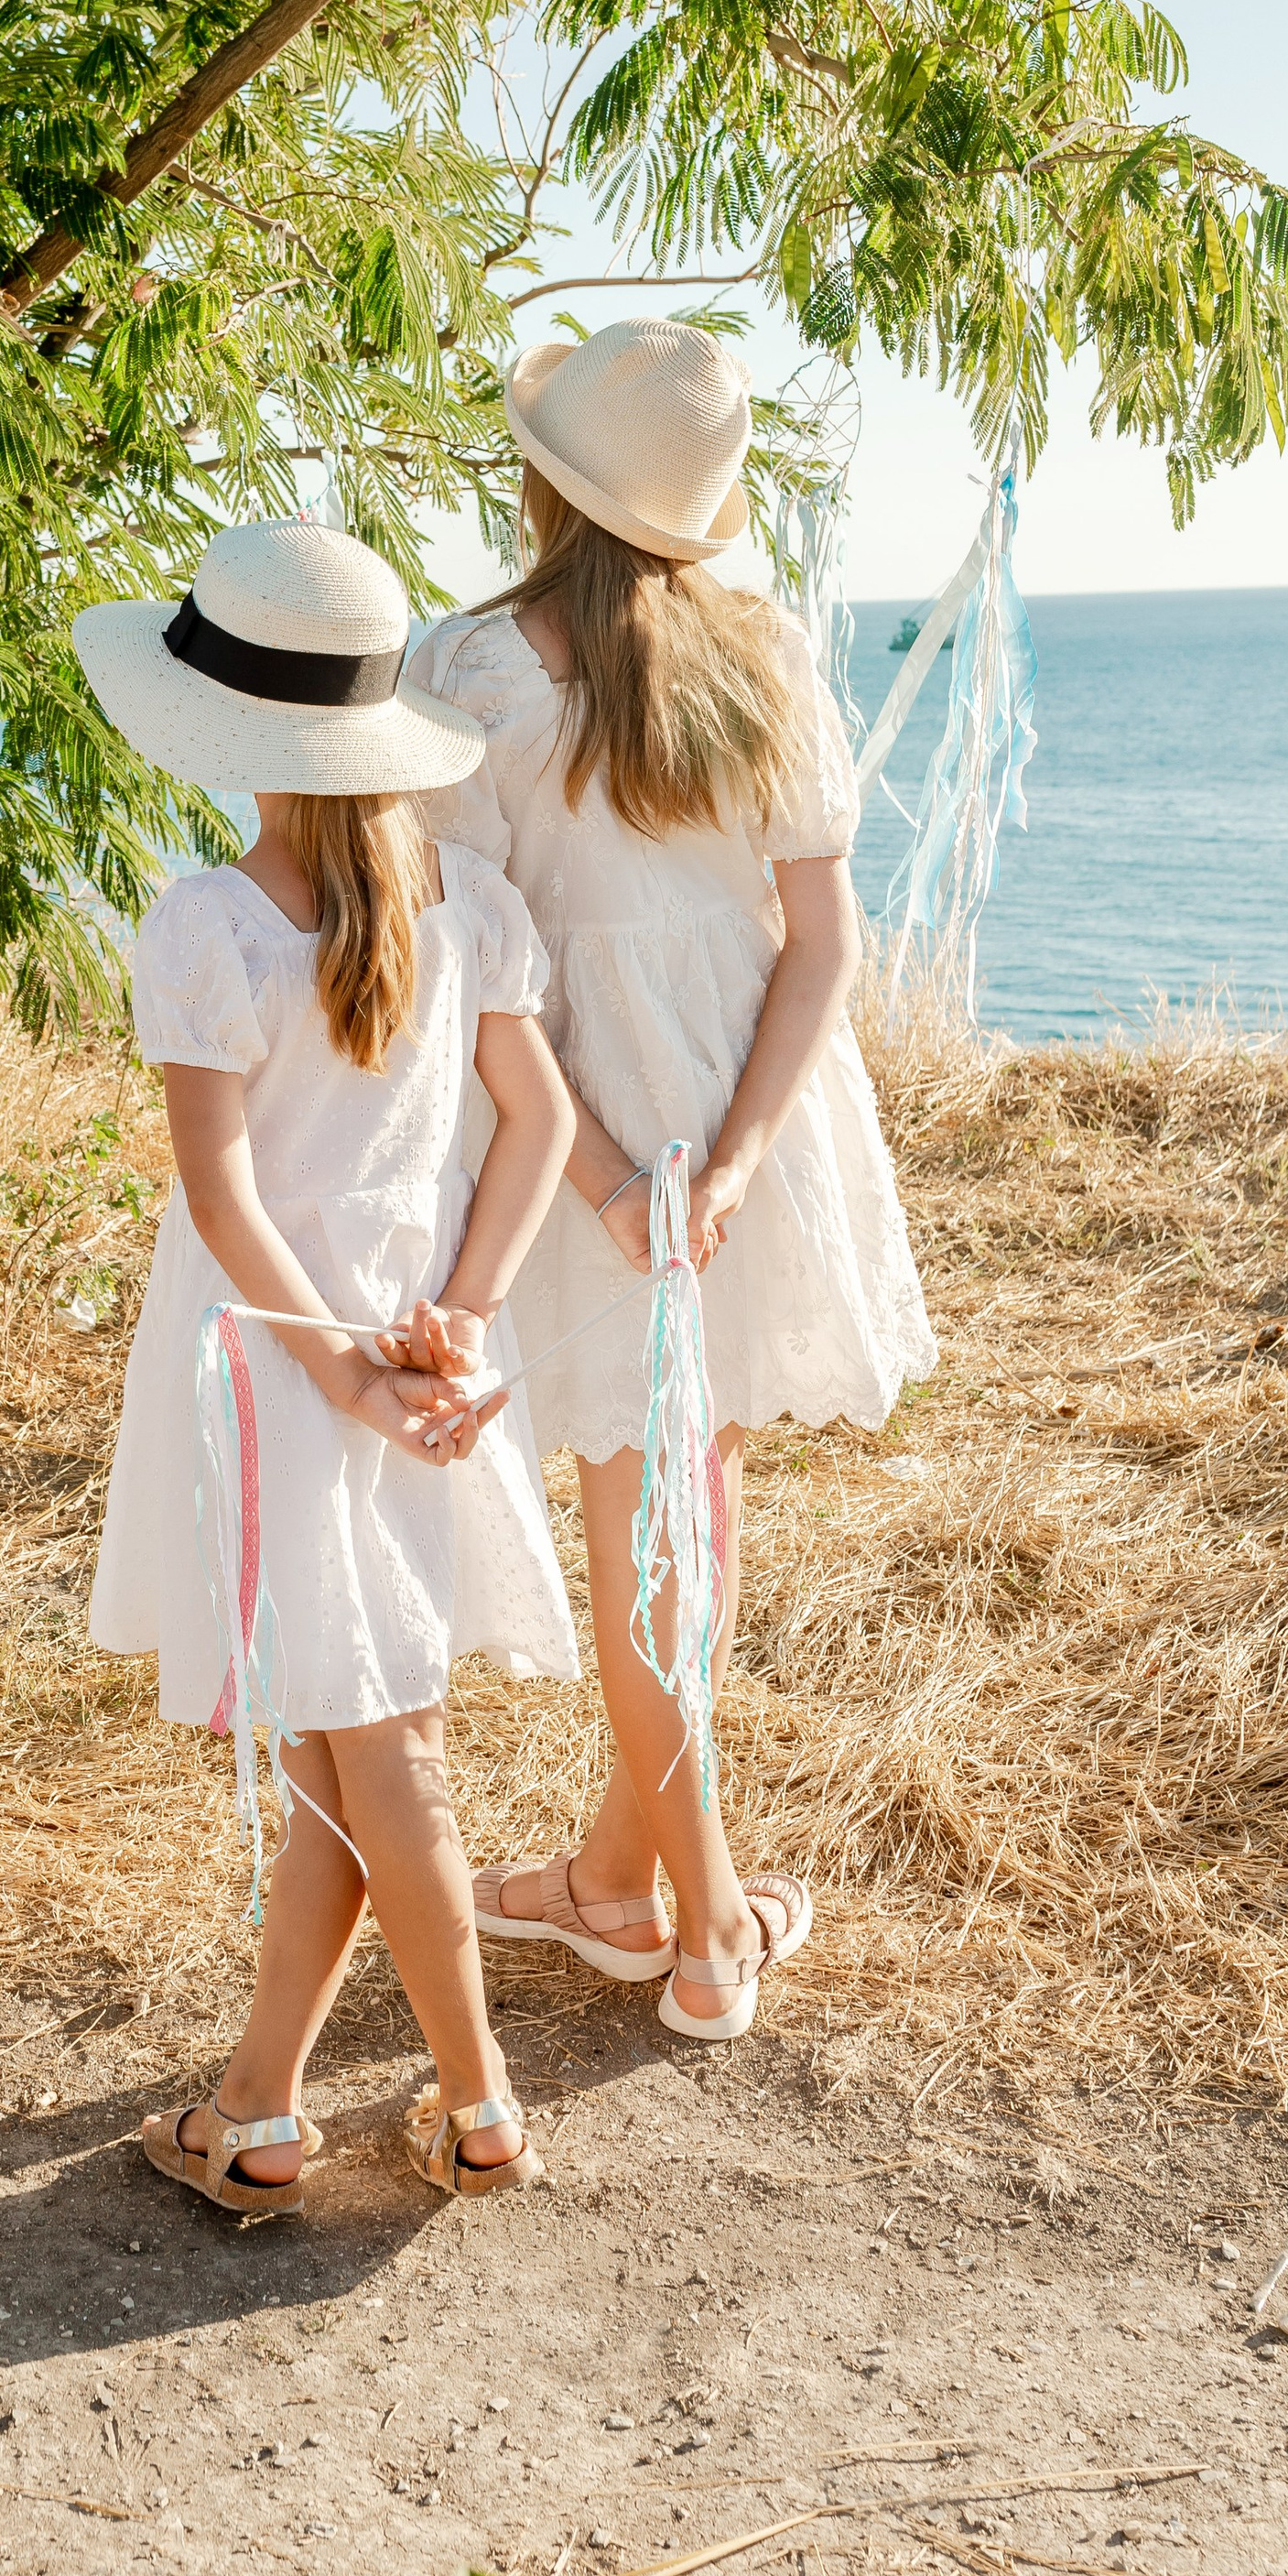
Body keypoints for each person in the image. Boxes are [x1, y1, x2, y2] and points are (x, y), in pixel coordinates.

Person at [408, 321, 936, 2041]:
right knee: (675, 1503)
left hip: (573, 1114)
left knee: (658, 1508)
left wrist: (629, 1172)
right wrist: (742, 1153)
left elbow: (475, 968)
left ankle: (690, 1920)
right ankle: (636, 1884)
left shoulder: (466, 671)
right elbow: (820, 938)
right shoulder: (763, 650)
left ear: (542, 481)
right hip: (726, 1096)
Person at [77, 518, 581, 2210]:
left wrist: (360, 1374)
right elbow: (541, 1126)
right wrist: (463, 1311)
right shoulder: (471, 902)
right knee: (341, 1752)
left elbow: (222, 1194)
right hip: (405, 1342)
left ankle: (483, 2097)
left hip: (277, 1355)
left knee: (381, 1749)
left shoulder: (210, 923)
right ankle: (260, 2104)